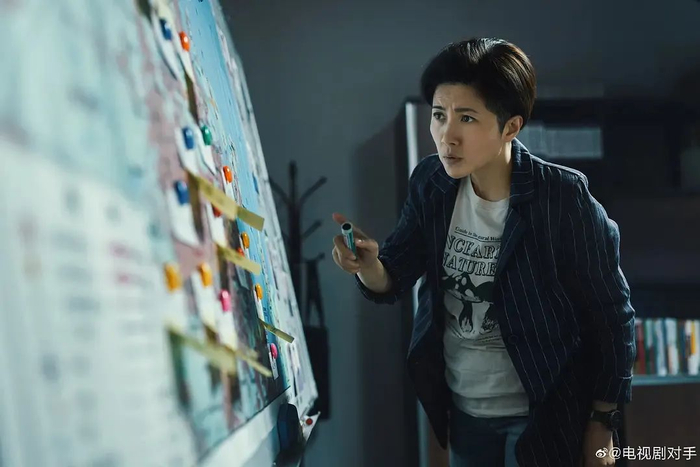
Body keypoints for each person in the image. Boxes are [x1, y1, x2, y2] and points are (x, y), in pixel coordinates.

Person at [331, 38, 635, 467]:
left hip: (544, 414)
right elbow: (394, 273)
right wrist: (367, 266)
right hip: (465, 411)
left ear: (510, 127)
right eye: (439, 115)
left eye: (467, 118)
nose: (447, 136)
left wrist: (603, 421)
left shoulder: (563, 198)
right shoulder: (432, 182)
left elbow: (612, 315)